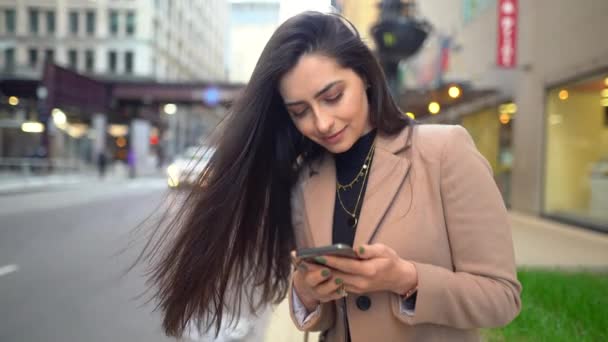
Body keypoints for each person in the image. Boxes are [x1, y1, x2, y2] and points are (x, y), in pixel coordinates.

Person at [139, 11, 521, 342]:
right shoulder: (307, 178)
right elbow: (328, 316)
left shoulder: (444, 152)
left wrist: (405, 278)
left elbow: (502, 298)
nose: (321, 122)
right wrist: (306, 294)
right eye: (300, 111)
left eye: (333, 96)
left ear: (366, 77)